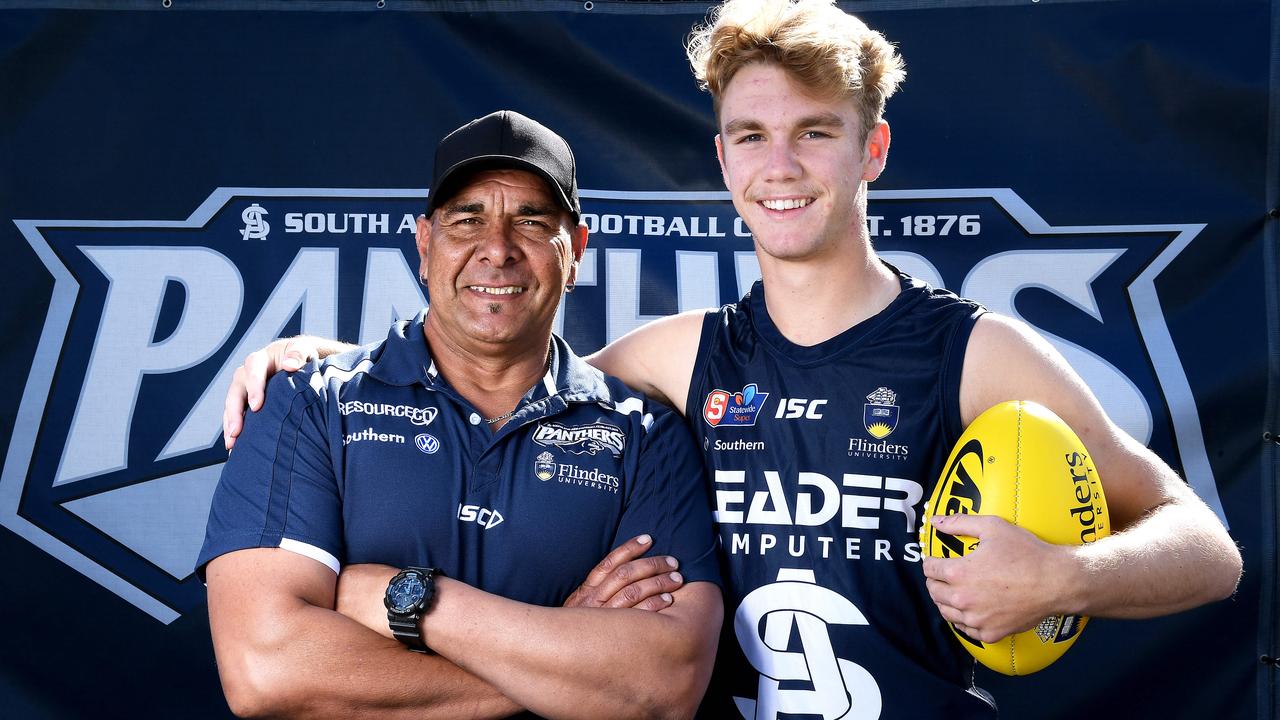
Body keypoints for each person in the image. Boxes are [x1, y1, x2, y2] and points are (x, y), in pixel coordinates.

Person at [223, 2, 1242, 717]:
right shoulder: (675, 360)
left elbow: (1203, 548)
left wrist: (1063, 574)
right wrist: (332, 361)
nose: (780, 167)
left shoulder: (969, 352)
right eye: (750, 135)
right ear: (720, 158)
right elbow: (494, 359)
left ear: (869, 151)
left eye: (814, 133)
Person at [199, 110, 723, 720]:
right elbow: (267, 669)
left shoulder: (645, 436)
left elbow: (664, 684)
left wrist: (415, 601)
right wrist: (560, 653)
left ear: (575, 251)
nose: (496, 250)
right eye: (466, 219)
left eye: (530, 221)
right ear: (424, 244)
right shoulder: (308, 404)